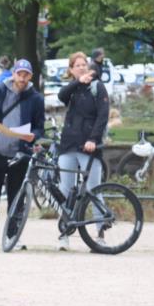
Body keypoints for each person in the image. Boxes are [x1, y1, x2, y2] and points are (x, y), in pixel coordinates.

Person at [0, 59, 44, 250]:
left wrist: (34, 136)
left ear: (30, 77)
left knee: (17, 196)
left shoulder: (35, 98)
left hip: (20, 152)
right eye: (19, 74)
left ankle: (13, 234)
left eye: (26, 75)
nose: (22, 78)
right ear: (13, 74)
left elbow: (40, 127)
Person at [55, 52, 109, 250]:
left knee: (94, 189)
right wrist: (78, 82)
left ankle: (100, 232)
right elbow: (61, 96)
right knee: (65, 189)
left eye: (84, 64)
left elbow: (103, 116)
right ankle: (64, 232)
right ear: (71, 69)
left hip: (88, 145)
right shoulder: (73, 89)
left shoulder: (98, 87)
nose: (82, 67)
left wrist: (93, 139)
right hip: (69, 143)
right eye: (77, 65)